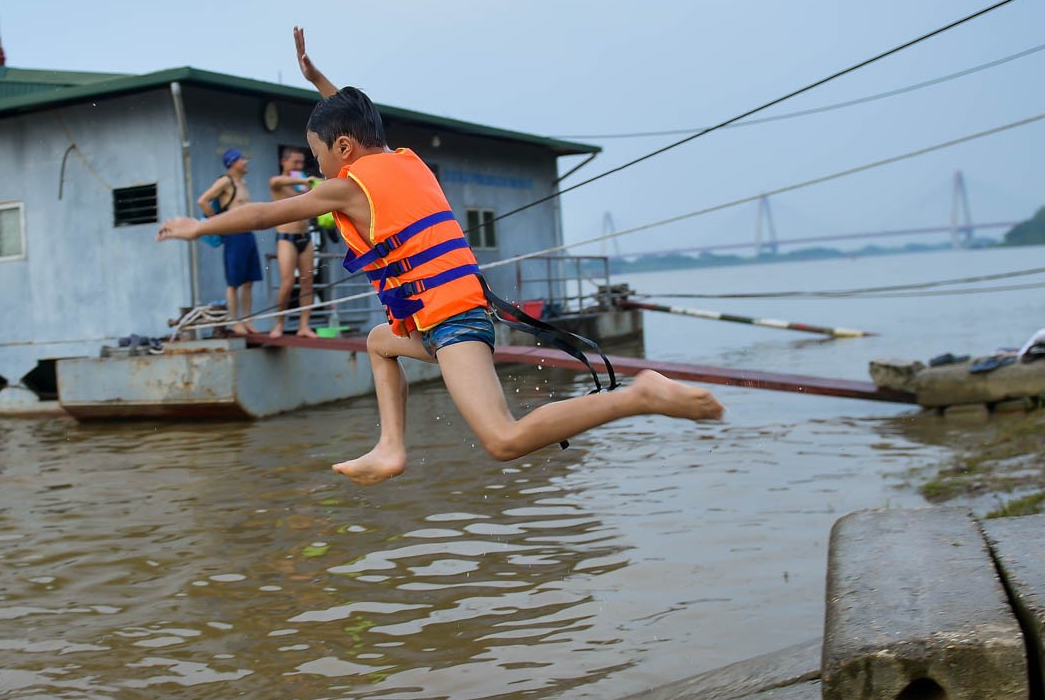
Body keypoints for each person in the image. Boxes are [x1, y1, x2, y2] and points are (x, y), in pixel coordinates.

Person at [158, 29, 723, 484]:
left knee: (502, 438)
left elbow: (260, 215)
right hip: (443, 313)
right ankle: (391, 446)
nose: (320, 169)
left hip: (453, 319)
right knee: (380, 341)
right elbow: (356, 120)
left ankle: (641, 395)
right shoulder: (404, 159)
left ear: (344, 150)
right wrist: (321, 84)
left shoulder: (348, 184)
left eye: (320, 157)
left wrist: (196, 226)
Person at [196, 149, 263, 335]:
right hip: (233, 236)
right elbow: (203, 201)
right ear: (232, 162)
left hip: (248, 234)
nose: (245, 162)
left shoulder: (243, 183)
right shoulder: (225, 181)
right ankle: (235, 322)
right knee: (234, 282)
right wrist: (218, 222)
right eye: (242, 159)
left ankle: (248, 320)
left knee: (249, 281)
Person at [267, 146, 318, 337]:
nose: (299, 166)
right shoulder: (278, 183)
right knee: (287, 282)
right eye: (295, 162)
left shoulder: (303, 185)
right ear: (284, 162)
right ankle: (279, 324)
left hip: (305, 237)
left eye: (301, 162)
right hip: (286, 238)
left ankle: (304, 325)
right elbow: (278, 181)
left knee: (307, 282)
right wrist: (304, 179)